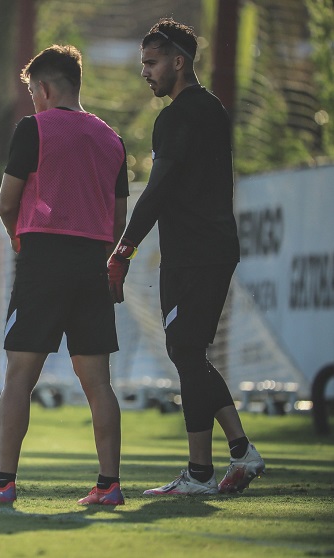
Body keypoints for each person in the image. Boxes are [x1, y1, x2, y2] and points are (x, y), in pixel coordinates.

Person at [108, 18, 265, 495]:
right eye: (143, 64)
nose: (146, 73)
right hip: (210, 249)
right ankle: (239, 452)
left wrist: (124, 249)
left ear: (179, 61)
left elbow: (158, 190)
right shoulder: (212, 109)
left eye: (152, 63)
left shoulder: (176, 116)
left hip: (195, 254)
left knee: (186, 354)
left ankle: (201, 473)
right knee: (189, 353)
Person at [0, 45, 128, 505]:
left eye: (32, 92)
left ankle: (3, 483)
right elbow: (118, 219)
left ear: (43, 88)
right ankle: (109, 485)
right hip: (92, 262)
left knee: (18, 376)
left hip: (43, 258)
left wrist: (21, 240)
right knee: (98, 382)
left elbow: (6, 202)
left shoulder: (33, 128)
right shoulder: (112, 138)